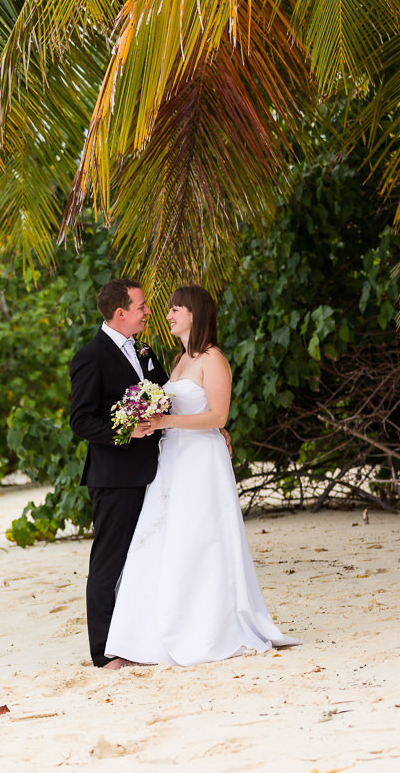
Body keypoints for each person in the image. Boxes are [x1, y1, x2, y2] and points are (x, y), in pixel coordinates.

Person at [104, 284, 300, 668]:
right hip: (173, 459)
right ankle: (144, 639)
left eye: (176, 309)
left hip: (201, 461)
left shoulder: (214, 359)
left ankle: (206, 628)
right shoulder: (178, 362)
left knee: (200, 540)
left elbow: (218, 417)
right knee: (161, 539)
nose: (169, 315)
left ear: (195, 313)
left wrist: (166, 421)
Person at [68, 278, 169, 668]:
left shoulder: (143, 349)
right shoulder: (90, 357)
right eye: (141, 306)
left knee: (144, 558)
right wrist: (126, 429)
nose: (147, 311)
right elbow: (81, 421)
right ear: (121, 313)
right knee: (109, 562)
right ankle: (104, 653)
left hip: (152, 471)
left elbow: (162, 390)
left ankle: (139, 639)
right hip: (114, 475)